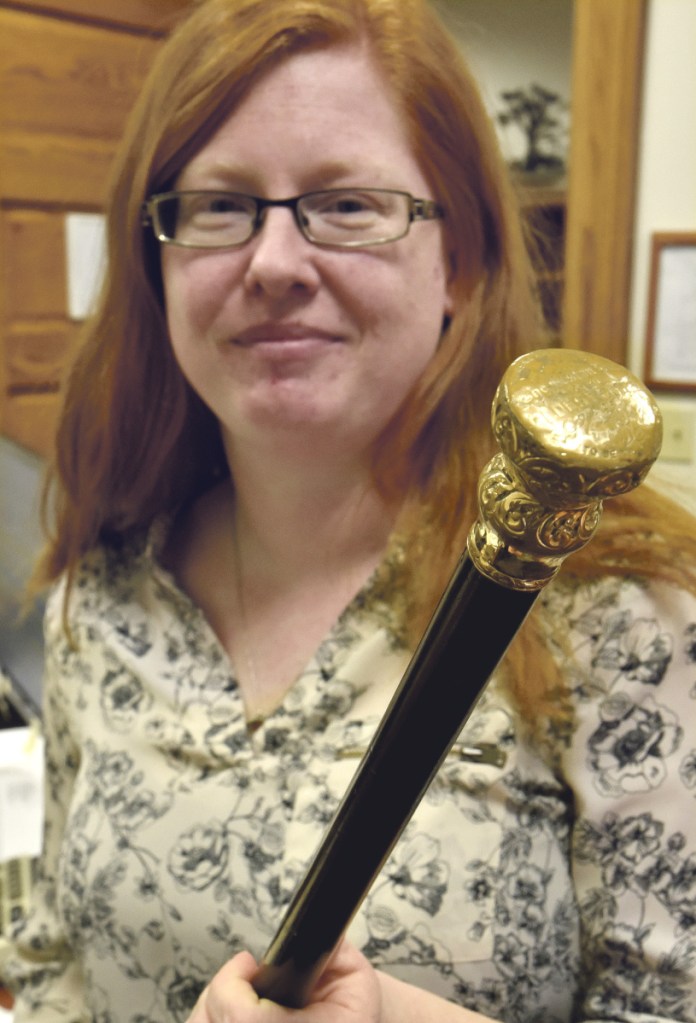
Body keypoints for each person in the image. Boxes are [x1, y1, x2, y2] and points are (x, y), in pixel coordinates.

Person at [3, 0, 696, 1021]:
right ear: (155, 262)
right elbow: (54, 966)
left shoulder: (617, 614)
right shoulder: (99, 596)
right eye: (220, 206)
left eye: (347, 204)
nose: (275, 263)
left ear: (457, 262)